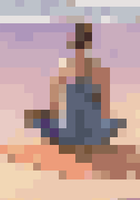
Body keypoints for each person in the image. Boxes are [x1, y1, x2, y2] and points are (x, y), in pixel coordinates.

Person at [24, 22, 125, 152]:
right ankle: (90, 138)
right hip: (92, 130)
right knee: (115, 124)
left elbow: (55, 101)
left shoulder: (68, 69)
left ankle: (78, 140)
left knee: (37, 118)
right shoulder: (98, 70)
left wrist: (54, 117)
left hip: (75, 131)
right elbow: (104, 104)